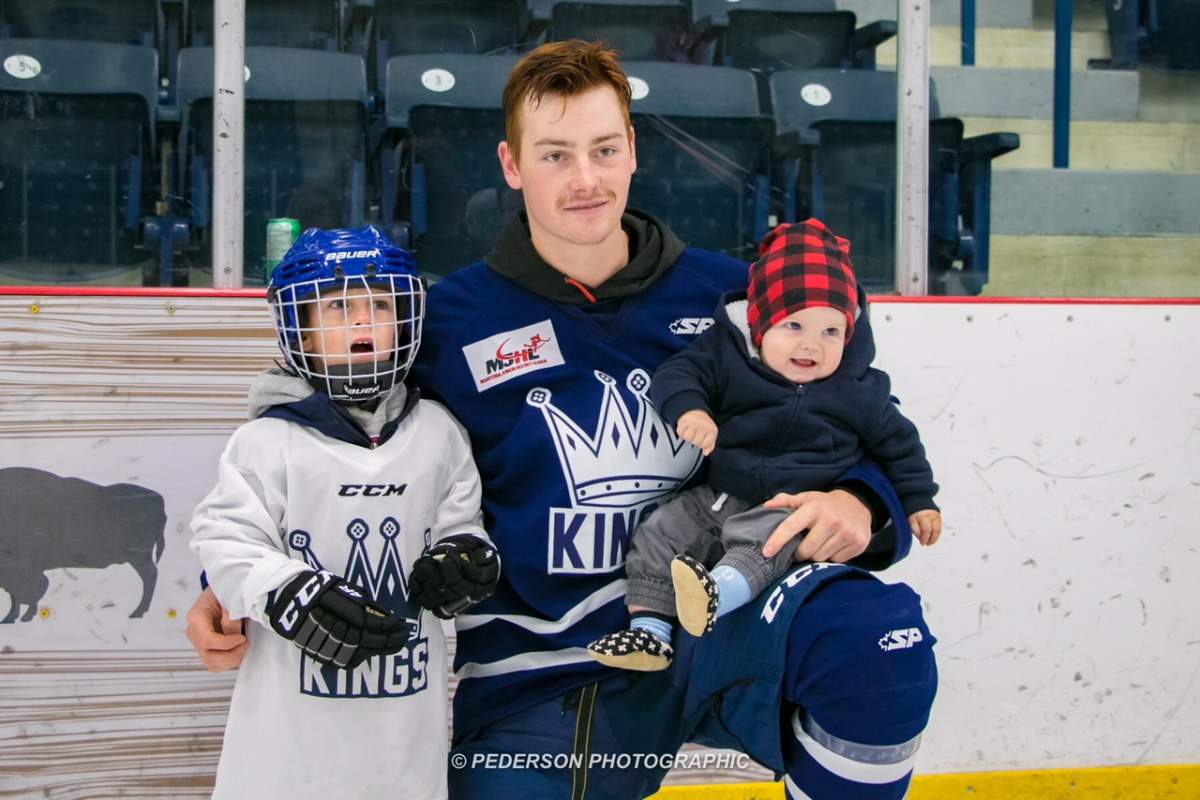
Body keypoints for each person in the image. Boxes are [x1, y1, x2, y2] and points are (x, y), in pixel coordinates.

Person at [187, 41, 937, 799]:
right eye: (555, 156)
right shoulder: (449, 323)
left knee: (878, 641)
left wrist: (863, 501)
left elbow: (863, 419)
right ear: (512, 166)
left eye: (604, 150)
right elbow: (312, 425)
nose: (586, 180)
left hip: (711, 626)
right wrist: (231, 580)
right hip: (534, 674)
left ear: (633, 151)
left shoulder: (735, 298)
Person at [189, 225, 499, 800]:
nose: (361, 322)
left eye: (380, 304)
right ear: (298, 327)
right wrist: (284, 589)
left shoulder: (438, 434)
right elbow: (224, 539)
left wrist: (465, 559)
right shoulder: (265, 443)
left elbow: (463, 523)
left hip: (406, 740)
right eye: (336, 307)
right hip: (285, 755)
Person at [589, 218, 942, 670]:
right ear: (759, 324)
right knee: (660, 532)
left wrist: (920, 501)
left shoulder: (857, 389)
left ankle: (715, 596)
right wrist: (691, 410)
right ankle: (650, 632)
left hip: (790, 506)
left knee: (767, 543)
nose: (811, 345)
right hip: (717, 496)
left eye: (831, 332)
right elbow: (678, 375)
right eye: (794, 326)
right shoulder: (728, 356)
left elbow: (900, 445)